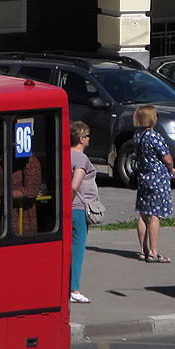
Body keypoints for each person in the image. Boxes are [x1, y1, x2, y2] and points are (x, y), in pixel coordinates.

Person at [133, 105, 175, 263]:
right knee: (155, 214)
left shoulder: (137, 135)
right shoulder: (155, 136)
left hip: (143, 177)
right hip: (157, 177)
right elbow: (167, 158)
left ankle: (143, 250)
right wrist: (171, 169)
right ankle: (154, 251)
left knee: (143, 213)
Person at [69, 121, 97, 303]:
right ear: (81, 139)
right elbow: (75, 184)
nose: (89, 139)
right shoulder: (81, 159)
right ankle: (75, 290)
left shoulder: (64, 154)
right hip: (77, 208)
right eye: (87, 136)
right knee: (78, 249)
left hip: (67, 209)